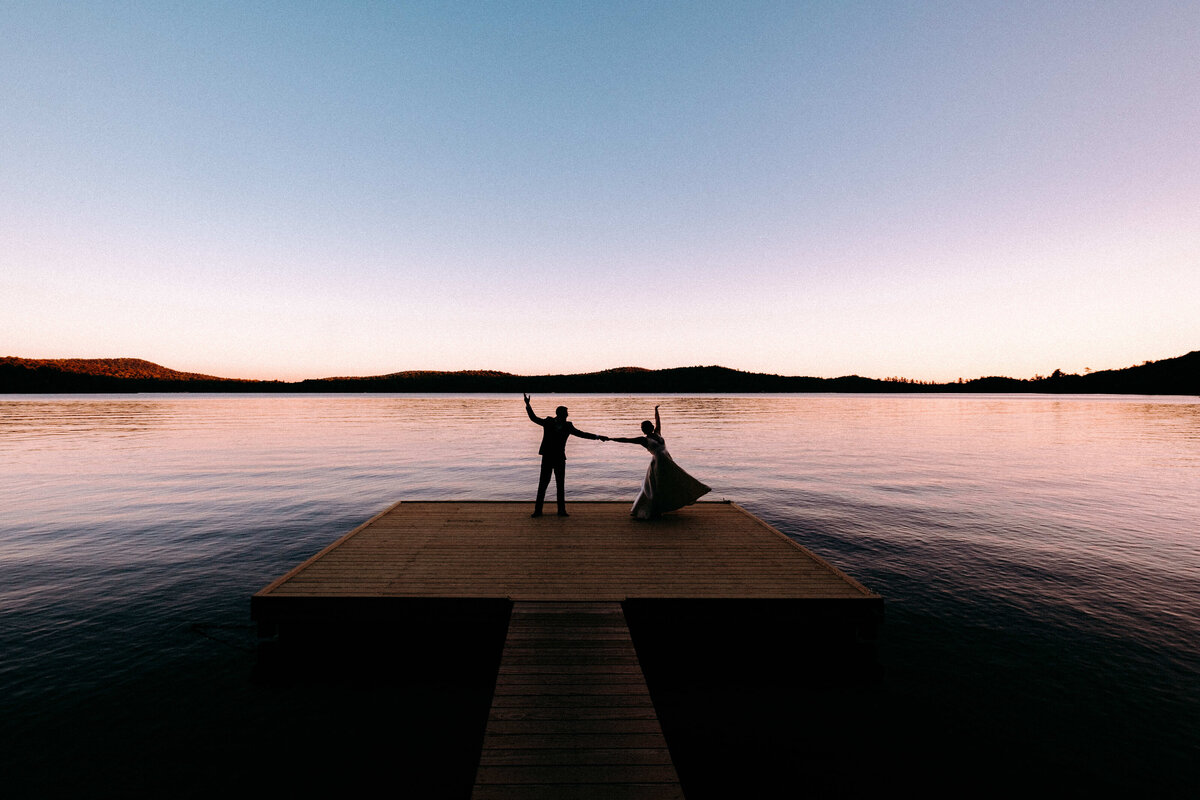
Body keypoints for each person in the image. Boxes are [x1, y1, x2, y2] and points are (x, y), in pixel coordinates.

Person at [609, 404, 710, 519]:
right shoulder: (644, 440)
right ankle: (653, 510)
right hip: (658, 465)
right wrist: (610, 438)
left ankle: (669, 504)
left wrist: (656, 411)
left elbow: (658, 421)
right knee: (656, 487)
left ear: (650, 427)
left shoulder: (657, 433)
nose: (643, 429)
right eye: (643, 427)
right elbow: (626, 440)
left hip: (667, 462)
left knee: (675, 481)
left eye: (645, 426)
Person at [524, 393, 607, 517]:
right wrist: (528, 405)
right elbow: (534, 418)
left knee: (560, 484)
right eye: (566, 413)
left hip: (559, 458)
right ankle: (538, 511)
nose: (568, 414)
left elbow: (582, 434)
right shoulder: (548, 421)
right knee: (543, 484)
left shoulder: (568, 426)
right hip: (547, 457)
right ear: (561, 414)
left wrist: (598, 437)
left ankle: (561, 511)